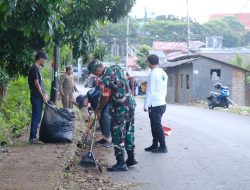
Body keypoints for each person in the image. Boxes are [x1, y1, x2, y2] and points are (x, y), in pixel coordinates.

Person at [87, 59, 138, 172]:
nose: (95, 75)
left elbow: (105, 97)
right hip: (130, 103)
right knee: (129, 131)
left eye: (94, 72)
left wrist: (98, 109)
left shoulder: (105, 80)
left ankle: (121, 163)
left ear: (99, 69)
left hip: (120, 107)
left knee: (117, 133)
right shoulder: (116, 67)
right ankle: (131, 158)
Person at [144, 54, 168, 153]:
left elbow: (150, 91)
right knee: (154, 125)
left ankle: (163, 146)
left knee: (157, 126)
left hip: (155, 104)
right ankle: (155, 144)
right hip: (162, 103)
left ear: (149, 63)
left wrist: (146, 105)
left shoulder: (153, 74)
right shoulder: (163, 73)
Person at [28, 50, 48, 144]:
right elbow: (36, 84)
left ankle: (33, 137)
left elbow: (40, 84)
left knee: (38, 117)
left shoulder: (37, 69)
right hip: (36, 97)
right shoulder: (34, 68)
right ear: (40, 58)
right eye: (44, 60)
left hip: (38, 97)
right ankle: (32, 138)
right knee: (36, 117)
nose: (44, 62)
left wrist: (44, 94)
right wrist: (42, 96)